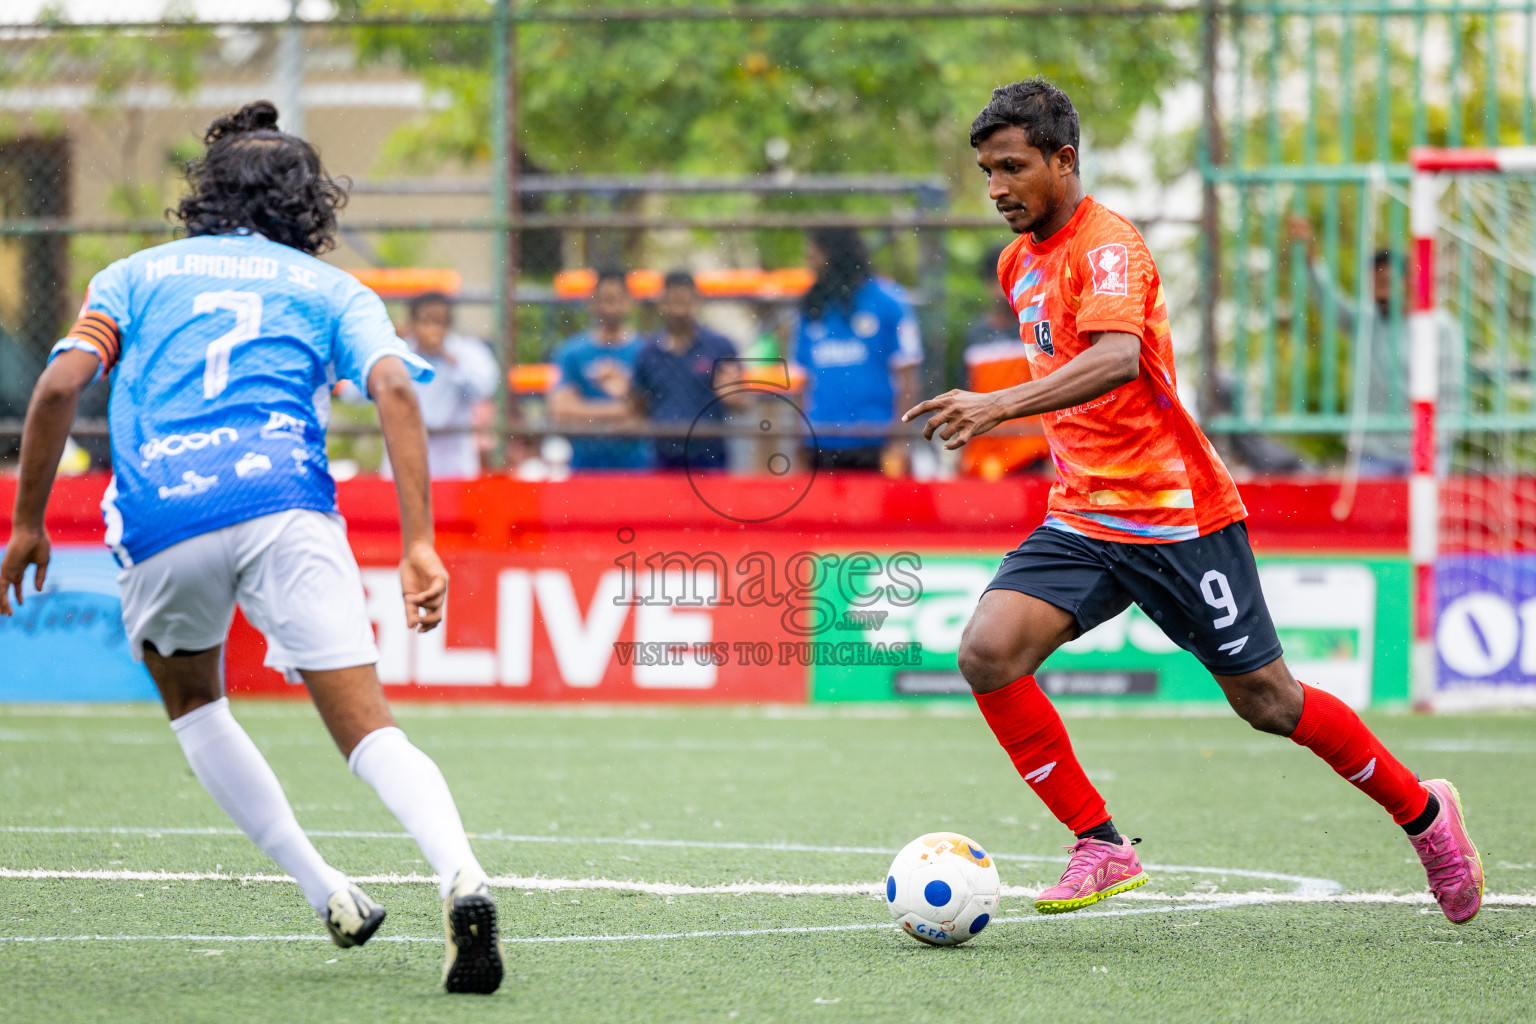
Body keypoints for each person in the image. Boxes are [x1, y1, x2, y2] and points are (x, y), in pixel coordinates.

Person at [904, 80, 1482, 925]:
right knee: (988, 653)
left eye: (1012, 168)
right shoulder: (1016, 261)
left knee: (1268, 704)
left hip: (1178, 517)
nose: (996, 188)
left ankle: (1426, 816)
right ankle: (1098, 844)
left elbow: (1115, 360)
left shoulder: (1110, 247)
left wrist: (994, 408)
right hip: (1084, 516)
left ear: (1064, 160)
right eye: (987, 171)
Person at [0, 102, 505, 993]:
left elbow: (53, 391)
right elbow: (394, 388)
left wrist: (29, 523)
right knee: (366, 727)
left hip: (164, 517)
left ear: (205, 193)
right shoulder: (332, 290)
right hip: (285, 507)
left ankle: (327, 892)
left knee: (196, 702)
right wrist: (420, 541)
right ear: (307, 204)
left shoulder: (131, 277)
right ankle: (462, 873)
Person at [1288, 217, 1464, 476]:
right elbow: (1329, 302)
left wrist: (1439, 442)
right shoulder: (1367, 321)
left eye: (1387, 283)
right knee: (1368, 518)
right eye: (1375, 285)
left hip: (1424, 454)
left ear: (1409, 282)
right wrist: (1309, 260)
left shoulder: (1442, 328)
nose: (1380, 293)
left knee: (1424, 517)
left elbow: (1451, 394)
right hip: (1373, 455)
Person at [793, 228, 923, 472]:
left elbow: (908, 378)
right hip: (820, 441)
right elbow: (802, 380)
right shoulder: (811, 305)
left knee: (877, 511)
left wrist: (900, 440)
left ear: (836, 254)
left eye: (815, 253)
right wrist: (798, 440)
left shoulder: (888, 300)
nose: (809, 259)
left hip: (875, 441)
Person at [631, 270, 742, 471]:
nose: (679, 309)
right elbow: (638, 404)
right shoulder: (648, 352)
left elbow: (741, 402)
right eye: (674, 301)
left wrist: (733, 397)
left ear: (697, 301)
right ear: (661, 303)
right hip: (662, 456)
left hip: (710, 455)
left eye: (684, 300)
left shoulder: (720, 347)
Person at [960, 245, 1051, 479]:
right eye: (995, 281)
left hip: (1032, 454)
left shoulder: (1039, 328)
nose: (1001, 289)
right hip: (985, 457)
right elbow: (967, 391)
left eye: (1010, 279)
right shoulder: (974, 335)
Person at [548, 268, 652, 470]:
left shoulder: (646, 352)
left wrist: (587, 414)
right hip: (585, 466)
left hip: (637, 467)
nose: (610, 307)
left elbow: (651, 413)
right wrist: (624, 411)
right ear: (592, 303)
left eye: (616, 299)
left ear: (630, 302)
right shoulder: (571, 352)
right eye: (604, 299)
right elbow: (561, 411)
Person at [394, 291, 499, 480]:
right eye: (426, 322)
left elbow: (484, 389)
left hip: (454, 460)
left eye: (439, 322)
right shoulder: (397, 353)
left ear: (449, 324)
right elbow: (353, 394)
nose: (432, 329)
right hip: (404, 455)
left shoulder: (468, 352)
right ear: (412, 323)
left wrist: (448, 358)